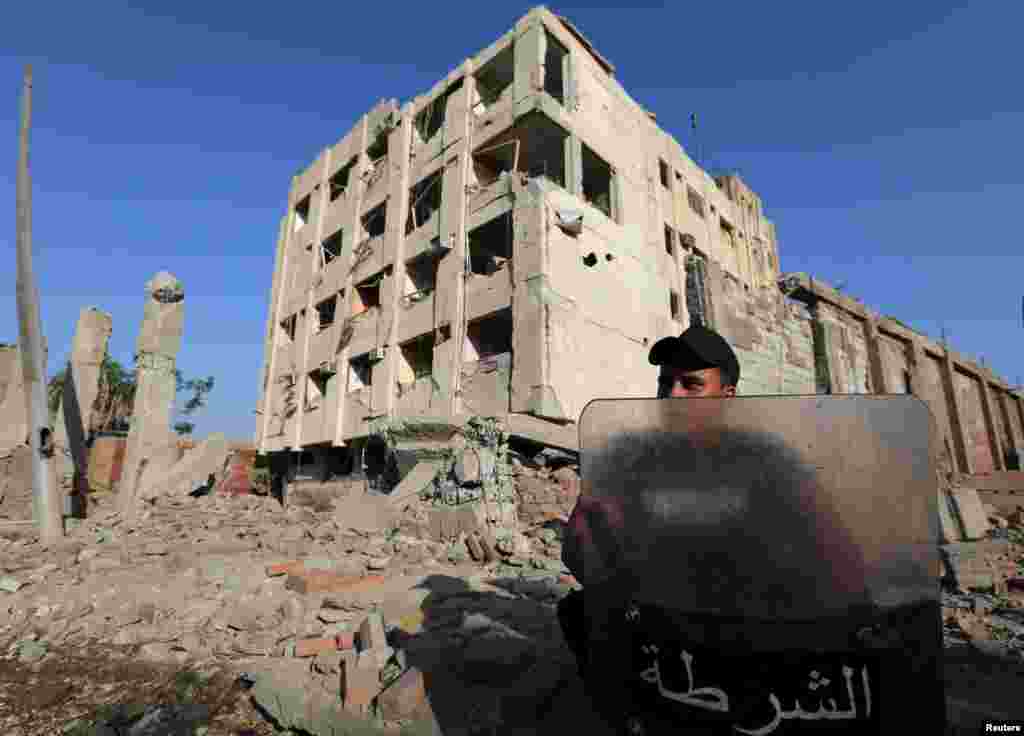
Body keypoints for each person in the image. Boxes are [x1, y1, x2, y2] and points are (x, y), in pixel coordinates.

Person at [557, 325, 740, 676]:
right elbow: (580, 549)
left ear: (727, 396)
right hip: (653, 633)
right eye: (664, 383)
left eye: (691, 384)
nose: (671, 395)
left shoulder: (765, 461)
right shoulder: (626, 464)